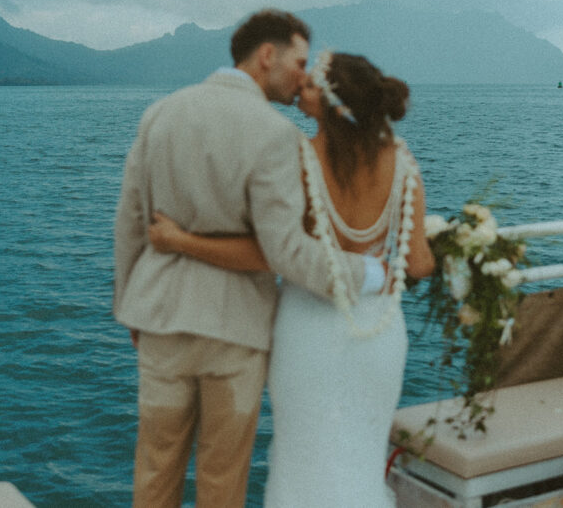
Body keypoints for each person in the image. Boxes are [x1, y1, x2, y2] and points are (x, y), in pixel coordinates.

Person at [113, 10, 389, 507]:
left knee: (154, 470)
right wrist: (367, 272)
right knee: (222, 481)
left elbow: (131, 222)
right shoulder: (273, 134)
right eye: (300, 61)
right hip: (233, 332)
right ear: (267, 55)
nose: (304, 76)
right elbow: (285, 253)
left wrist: (127, 305)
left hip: (157, 319)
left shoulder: (160, 112)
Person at [147, 51, 436, 507]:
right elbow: (418, 264)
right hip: (379, 330)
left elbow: (266, 255)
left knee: (302, 456)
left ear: (328, 99)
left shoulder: (296, 160)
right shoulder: (401, 160)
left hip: (308, 328)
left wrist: (182, 241)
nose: (299, 85)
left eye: (309, 83)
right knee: (361, 453)